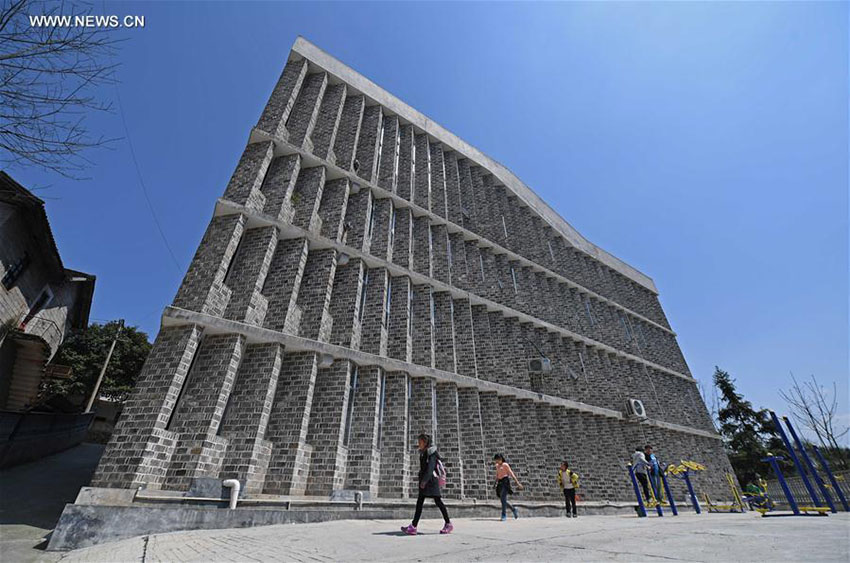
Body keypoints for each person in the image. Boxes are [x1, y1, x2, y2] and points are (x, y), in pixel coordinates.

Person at [401, 433, 453, 535]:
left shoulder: (431, 453)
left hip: (431, 482)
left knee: (438, 502)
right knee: (420, 503)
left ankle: (448, 524)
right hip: (426, 481)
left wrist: (424, 481)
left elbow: (430, 468)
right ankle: (413, 526)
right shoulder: (423, 452)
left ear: (425, 442)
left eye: (420, 442)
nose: (418, 444)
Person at [493, 453, 524, 521]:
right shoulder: (497, 466)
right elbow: (497, 475)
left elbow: (511, 474)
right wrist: (495, 483)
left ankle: (503, 515)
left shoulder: (505, 465)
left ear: (501, 459)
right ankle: (513, 509)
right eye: (496, 460)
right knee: (502, 500)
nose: (496, 462)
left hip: (505, 482)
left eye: (497, 460)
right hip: (500, 483)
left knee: (503, 498)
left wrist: (518, 483)